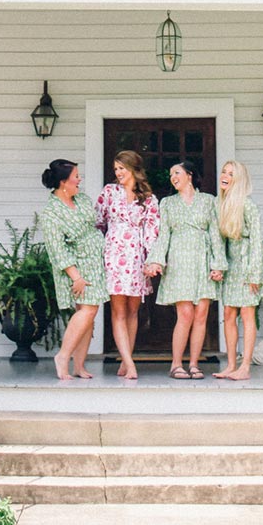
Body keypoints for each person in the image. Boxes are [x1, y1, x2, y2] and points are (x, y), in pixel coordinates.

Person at [145, 161, 227, 379]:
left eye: (177, 172)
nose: (173, 177)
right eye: (171, 174)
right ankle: (176, 364)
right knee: (185, 314)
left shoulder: (209, 201)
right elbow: (164, 235)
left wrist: (218, 264)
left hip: (202, 259)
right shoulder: (168, 203)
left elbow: (215, 235)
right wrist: (156, 261)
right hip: (179, 260)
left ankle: (194, 364)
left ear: (190, 175)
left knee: (201, 314)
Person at [39, 158, 109, 381]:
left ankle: (79, 365)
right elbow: (56, 248)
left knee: (90, 313)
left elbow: (95, 224)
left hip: (95, 262)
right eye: (75, 176)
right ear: (63, 182)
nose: (79, 180)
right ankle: (63, 356)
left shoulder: (82, 200)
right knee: (87, 311)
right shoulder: (51, 213)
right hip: (75, 266)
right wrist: (76, 276)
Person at [94, 150, 160, 380]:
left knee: (133, 311)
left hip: (137, 258)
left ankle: (125, 358)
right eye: (116, 169)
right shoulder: (109, 192)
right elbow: (98, 222)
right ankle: (130, 364)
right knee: (118, 311)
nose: (118, 173)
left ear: (133, 169)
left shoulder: (149, 198)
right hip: (113, 254)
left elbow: (153, 231)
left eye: (122, 168)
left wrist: (151, 259)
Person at [213, 159, 263, 381]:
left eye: (231, 173)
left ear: (239, 179)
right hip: (232, 264)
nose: (225, 176)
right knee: (228, 314)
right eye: (224, 172)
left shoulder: (248, 205)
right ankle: (231, 364)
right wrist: (219, 265)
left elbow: (256, 241)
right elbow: (218, 240)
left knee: (247, 314)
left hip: (248, 264)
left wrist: (255, 273)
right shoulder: (221, 203)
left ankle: (245, 366)